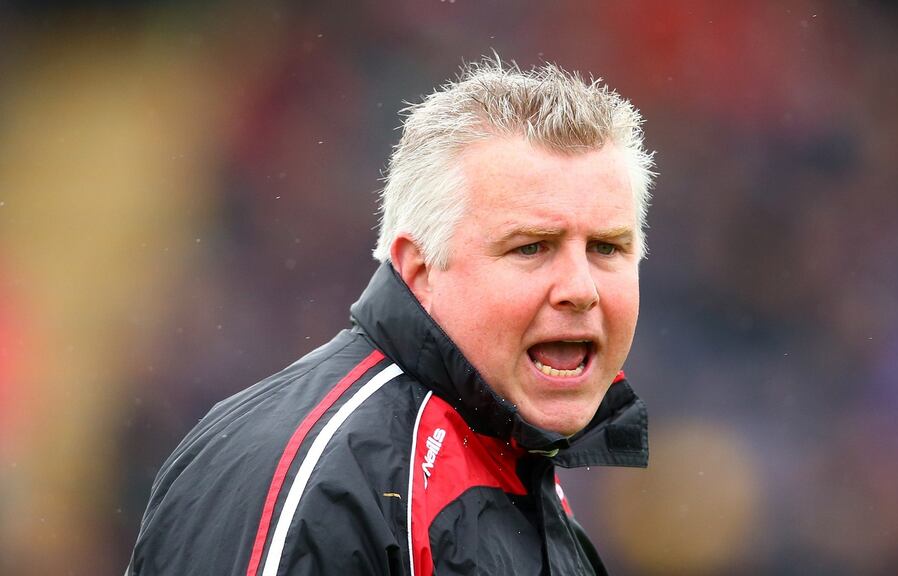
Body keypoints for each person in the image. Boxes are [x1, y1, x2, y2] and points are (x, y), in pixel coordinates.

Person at [126, 56, 655, 576]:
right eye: (532, 247)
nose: (580, 290)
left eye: (607, 248)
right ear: (420, 271)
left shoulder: (521, 464)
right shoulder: (315, 477)